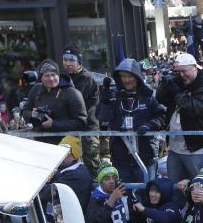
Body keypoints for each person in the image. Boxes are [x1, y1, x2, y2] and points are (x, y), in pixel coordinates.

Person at [157, 52, 203, 183]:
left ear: (194, 67)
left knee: (200, 186)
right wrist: (164, 86)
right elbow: (161, 99)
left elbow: (195, 108)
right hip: (176, 146)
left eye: (184, 71)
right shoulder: (181, 81)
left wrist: (177, 93)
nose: (181, 75)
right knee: (176, 187)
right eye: (178, 72)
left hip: (197, 146)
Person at [101, 58, 166, 183]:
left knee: (146, 192)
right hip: (120, 156)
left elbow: (162, 117)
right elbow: (103, 119)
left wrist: (149, 125)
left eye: (130, 76)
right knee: (126, 193)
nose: (126, 80)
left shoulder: (148, 96)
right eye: (123, 76)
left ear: (137, 77)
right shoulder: (114, 97)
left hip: (145, 153)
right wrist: (104, 102)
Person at [21, 59, 88, 143]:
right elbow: (25, 111)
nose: (51, 79)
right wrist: (32, 115)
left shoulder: (72, 93)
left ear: (58, 76)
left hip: (65, 145)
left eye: (54, 75)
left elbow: (81, 122)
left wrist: (53, 124)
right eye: (47, 75)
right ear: (41, 78)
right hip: (39, 142)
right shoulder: (36, 89)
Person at [61, 44, 101, 176]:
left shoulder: (86, 78)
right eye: (65, 60)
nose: (67, 63)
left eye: (71, 60)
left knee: (91, 164)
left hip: (88, 127)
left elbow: (76, 103)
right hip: (70, 127)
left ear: (78, 61)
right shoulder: (61, 78)